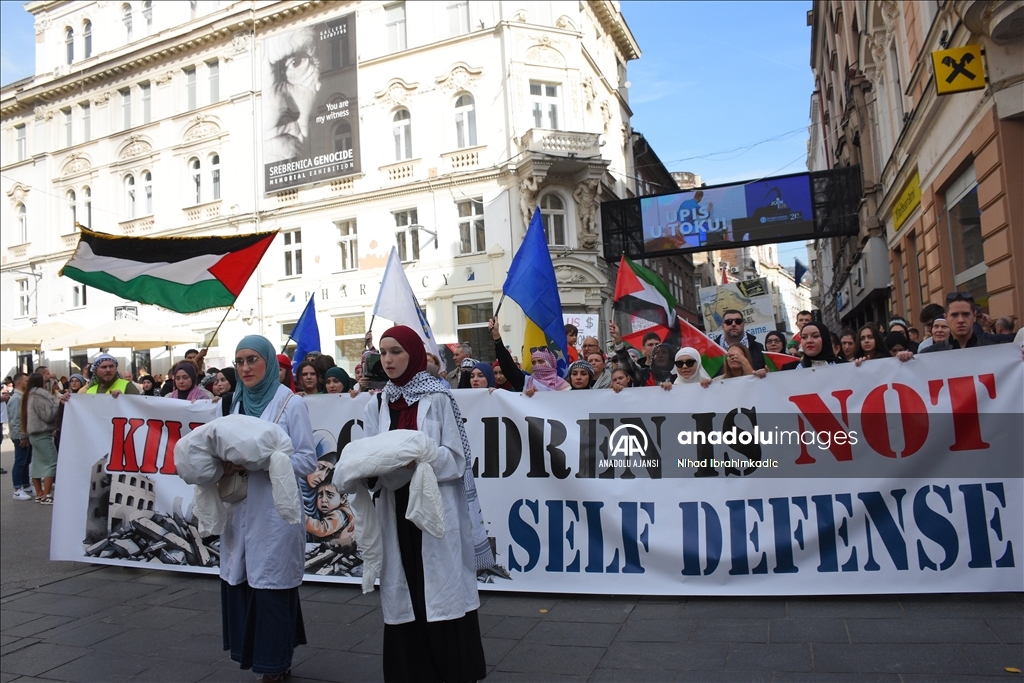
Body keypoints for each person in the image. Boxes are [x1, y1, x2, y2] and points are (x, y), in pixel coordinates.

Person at [350, 325, 486, 683]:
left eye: (396, 351)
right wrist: (368, 470)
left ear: (412, 353)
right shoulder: (376, 402)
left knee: (439, 590)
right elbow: (368, 453)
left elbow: (457, 460)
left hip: (433, 511)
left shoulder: (439, 398)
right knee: (404, 589)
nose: (389, 359)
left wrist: (417, 460)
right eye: (383, 352)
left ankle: (452, 672)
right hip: (395, 508)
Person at [221, 336, 316, 681]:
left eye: (252, 360)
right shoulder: (236, 403)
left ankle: (274, 664)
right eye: (239, 361)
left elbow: (306, 460)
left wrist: (261, 461)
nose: (245, 368)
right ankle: (270, 654)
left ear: (269, 364)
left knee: (273, 585)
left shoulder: (290, 405)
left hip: (275, 513)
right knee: (248, 582)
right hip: (242, 510)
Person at [920, 292, 1013, 353]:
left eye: (966, 314)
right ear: (946, 318)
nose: (960, 320)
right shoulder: (928, 354)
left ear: (974, 316)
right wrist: (906, 361)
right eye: (954, 315)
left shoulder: (995, 351)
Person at [23, 372, 63, 504]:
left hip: (34, 433)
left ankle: (40, 493)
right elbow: (47, 415)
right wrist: (58, 404)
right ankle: (46, 495)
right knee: (52, 462)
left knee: (38, 463)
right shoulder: (39, 394)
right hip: (42, 432)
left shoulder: (30, 394)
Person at [7, 373, 33, 500]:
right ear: (19, 383)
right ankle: (17, 489)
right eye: (26, 381)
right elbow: (16, 420)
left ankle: (25, 485)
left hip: (24, 434)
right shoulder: (17, 398)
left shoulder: (21, 396)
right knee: (20, 462)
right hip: (20, 435)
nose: (28, 383)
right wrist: (22, 436)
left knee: (26, 461)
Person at [488, 317, 525, 392]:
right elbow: (506, 363)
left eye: (541, 361)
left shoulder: (556, 385)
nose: (498, 377)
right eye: (534, 362)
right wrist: (496, 335)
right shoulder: (527, 382)